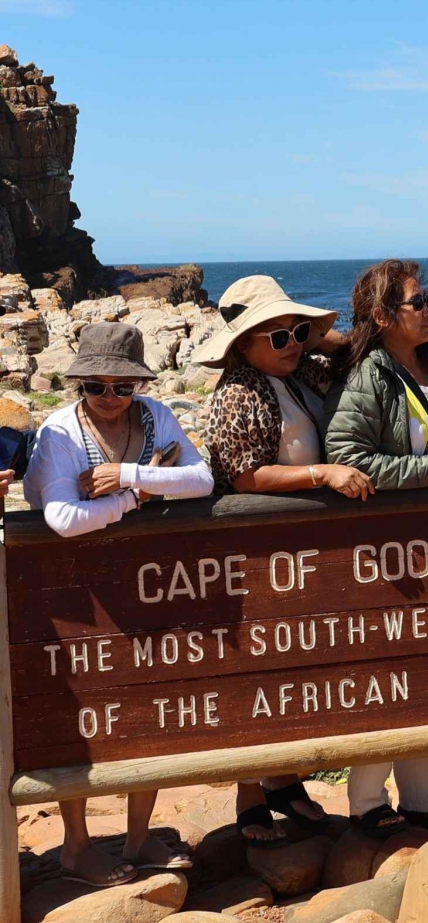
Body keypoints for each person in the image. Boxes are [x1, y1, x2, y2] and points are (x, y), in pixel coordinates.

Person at [24, 322, 208, 884]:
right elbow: (63, 519)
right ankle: (77, 846)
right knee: (82, 710)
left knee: (147, 707)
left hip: (142, 581)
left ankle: (137, 838)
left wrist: (126, 476)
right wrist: (142, 494)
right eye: (95, 386)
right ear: (78, 385)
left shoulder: (153, 415)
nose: (109, 397)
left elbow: (201, 478)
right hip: (73, 589)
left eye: (121, 386)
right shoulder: (58, 432)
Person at [322, 259, 428, 837]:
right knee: (384, 675)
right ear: (381, 315)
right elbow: (345, 454)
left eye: (427, 300)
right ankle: (368, 808)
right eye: (417, 303)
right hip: (387, 554)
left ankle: (426, 804)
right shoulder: (370, 373)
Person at [199, 275, 371, 845]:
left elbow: (354, 358)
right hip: (259, 552)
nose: (292, 344)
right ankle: (254, 793)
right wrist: (321, 474)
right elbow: (246, 474)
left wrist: (313, 337)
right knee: (257, 670)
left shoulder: (302, 373)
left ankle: (284, 779)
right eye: (276, 337)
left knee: (299, 668)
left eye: (296, 331)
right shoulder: (238, 393)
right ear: (242, 345)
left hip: (306, 550)